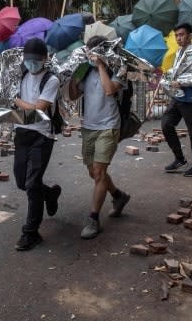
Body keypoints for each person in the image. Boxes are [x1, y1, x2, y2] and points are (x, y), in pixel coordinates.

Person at [68, 36, 130, 240]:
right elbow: (73, 95)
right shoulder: (85, 70)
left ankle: (93, 219)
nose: (91, 56)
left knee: (99, 171)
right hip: (89, 127)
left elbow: (109, 90)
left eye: (95, 52)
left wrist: (101, 66)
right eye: (89, 52)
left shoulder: (119, 68)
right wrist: (73, 77)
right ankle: (118, 196)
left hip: (109, 126)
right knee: (93, 173)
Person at [12, 38, 62, 251]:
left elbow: (38, 110)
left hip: (42, 136)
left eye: (35, 60)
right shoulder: (20, 75)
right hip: (22, 133)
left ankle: (31, 232)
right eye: (28, 60)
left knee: (32, 185)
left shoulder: (51, 80)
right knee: (22, 182)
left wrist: (15, 100)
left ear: (44, 59)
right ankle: (49, 194)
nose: (31, 64)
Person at [160, 23, 192, 177]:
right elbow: (177, 72)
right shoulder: (180, 52)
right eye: (176, 36)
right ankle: (180, 158)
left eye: (181, 35)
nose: (179, 38)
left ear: (189, 35)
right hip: (178, 96)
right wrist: (167, 77)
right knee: (166, 124)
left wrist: (181, 82)